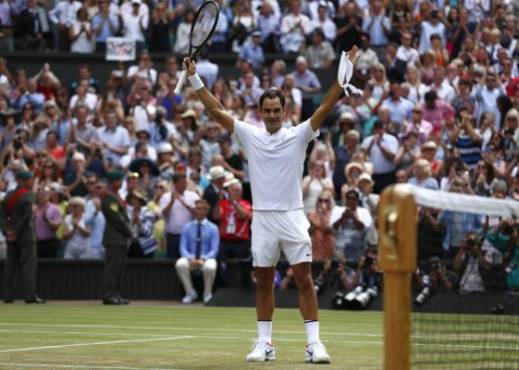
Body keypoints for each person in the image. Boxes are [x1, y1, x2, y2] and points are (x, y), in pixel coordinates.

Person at [180, 46, 360, 363]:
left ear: (284, 111)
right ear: (261, 112)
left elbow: (328, 104)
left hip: (292, 218)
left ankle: (313, 344)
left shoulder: (301, 134)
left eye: (277, 110)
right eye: (267, 111)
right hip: (262, 220)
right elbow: (216, 111)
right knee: (264, 282)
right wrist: (195, 79)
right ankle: (265, 344)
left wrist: (343, 73)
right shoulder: (250, 135)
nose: (273, 115)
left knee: (304, 280)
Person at [0, 171, 45, 304]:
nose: (31, 182)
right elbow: (27, 217)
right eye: (29, 180)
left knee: (10, 266)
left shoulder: (8, 195)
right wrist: (15, 232)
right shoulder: (28, 195)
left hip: (10, 236)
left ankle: (8, 296)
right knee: (28, 266)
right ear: (22, 180)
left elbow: (2, 217)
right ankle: (30, 296)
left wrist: (7, 231)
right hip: (25, 235)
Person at [175, 199, 219, 304]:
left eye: (201, 209)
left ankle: (207, 294)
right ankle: (190, 292)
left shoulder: (213, 228)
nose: (198, 211)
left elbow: (214, 249)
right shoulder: (186, 227)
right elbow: (182, 247)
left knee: (211, 266)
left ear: (206, 211)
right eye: (197, 209)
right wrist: (190, 258)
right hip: (191, 258)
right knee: (180, 264)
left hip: (206, 258)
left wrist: (204, 259)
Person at [100, 170, 133, 305]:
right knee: (112, 268)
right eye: (119, 180)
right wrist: (129, 231)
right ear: (113, 182)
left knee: (119, 269)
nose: (121, 183)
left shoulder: (115, 196)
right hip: (114, 238)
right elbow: (117, 218)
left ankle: (116, 294)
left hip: (120, 238)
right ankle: (109, 295)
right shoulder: (108, 198)